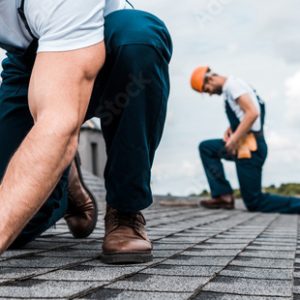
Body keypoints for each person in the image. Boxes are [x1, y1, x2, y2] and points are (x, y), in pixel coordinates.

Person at [0, 0, 172, 264]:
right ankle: (68, 184)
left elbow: (59, 121)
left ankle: (125, 210)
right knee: (19, 224)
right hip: (26, 58)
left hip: (107, 39)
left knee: (139, 41)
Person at [190, 66, 300, 213]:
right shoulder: (233, 88)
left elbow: (253, 113)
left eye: (206, 89)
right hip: (242, 145)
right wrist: (231, 129)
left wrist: (234, 139)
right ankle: (223, 196)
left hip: (250, 149)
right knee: (207, 148)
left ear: (210, 78)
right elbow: (246, 115)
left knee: (255, 202)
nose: (209, 93)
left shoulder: (233, 86)